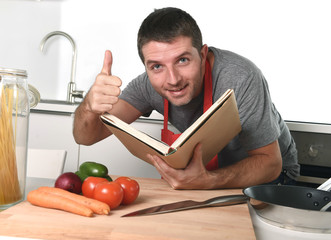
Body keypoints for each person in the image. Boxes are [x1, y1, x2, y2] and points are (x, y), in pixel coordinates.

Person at [73, 7, 300, 189]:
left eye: (182, 60)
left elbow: (270, 163)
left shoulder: (241, 77)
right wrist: (90, 106)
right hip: (206, 180)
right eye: (157, 66)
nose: (172, 79)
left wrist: (208, 181)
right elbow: (85, 137)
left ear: (202, 54)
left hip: (273, 179)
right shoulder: (147, 85)